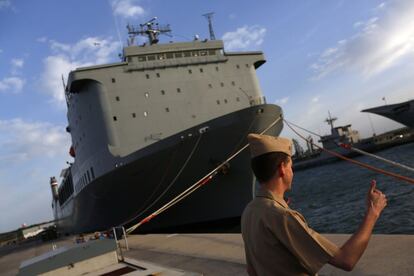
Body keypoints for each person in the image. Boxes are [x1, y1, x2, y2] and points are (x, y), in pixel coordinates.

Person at [241, 133, 387, 276]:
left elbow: (251, 270)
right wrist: (373, 212)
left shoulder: (249, 211)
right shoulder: (282, 216)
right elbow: (346, 259)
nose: (292, 172)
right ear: (282, 169)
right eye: (290, 166)